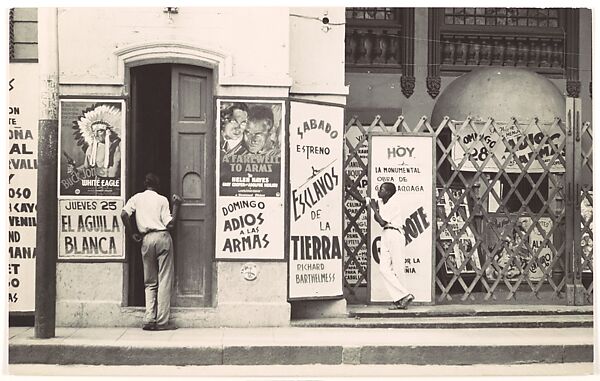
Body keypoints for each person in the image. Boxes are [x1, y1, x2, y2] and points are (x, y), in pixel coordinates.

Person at [121, 173, 183, 331]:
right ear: (158, 185)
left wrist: (132, 233)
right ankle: (162, 322)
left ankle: (149, 319)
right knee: (164, 279)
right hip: (162, 237)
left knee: (150, 282)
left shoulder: (137, 198)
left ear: (145, 184)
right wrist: (177, 206)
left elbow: (124, 214)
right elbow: (170, 225)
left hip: (146, 239)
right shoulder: (162, 199)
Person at [366, 182, 414, 310]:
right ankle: (404, 296)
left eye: (381, 189)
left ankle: (401, 300)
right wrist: (349, 188)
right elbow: (365, 200)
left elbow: (382, 222)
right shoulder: (381, 202)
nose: (379, 191)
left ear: (388, 192)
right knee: (384, 269)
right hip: (386, 234)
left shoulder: (394, 204)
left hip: (395, 234)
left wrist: (374, 209)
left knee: (398, 268)